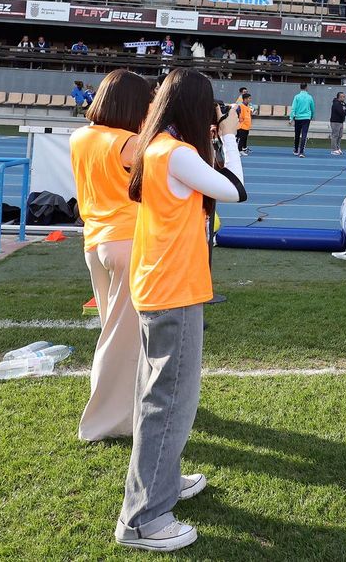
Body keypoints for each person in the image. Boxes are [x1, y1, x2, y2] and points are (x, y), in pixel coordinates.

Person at [115, 69, 248, 552]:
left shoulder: (159, 147)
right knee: (169, 402)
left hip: (161, 285)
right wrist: (230, 139)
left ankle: (162, 483)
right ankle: (142, 518)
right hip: (174, 290)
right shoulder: (176, 153)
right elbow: (233, 189)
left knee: (160, 396)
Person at [69, 70, 152, 442]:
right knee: (123, 339)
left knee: (112, 332)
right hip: (127, 241)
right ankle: (108, 421)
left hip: (94, 241)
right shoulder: (129, 143)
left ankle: (122, 405)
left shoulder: (80, 137)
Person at [288, 83, 315, 157]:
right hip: (306, 118)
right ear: (306, 87)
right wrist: (312, 116)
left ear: (300, 88)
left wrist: (291, 118)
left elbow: (293, 108)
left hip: (298, 118)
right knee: (304, 134)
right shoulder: (309, 97)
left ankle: (296, 149)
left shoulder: (297, 97)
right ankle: (301, 152)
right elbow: (312, 108)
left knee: (297, 134)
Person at [328, 91, 346, 156]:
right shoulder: (336, 104)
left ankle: (338, 148)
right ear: (339, 97)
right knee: (335, 136)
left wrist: (345, 110)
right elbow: (341, 112)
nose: (344, 98)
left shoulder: (343, 103)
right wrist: (345, 111)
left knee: (340, 136)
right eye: (342, 97)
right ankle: (333, 149)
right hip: (335, 122)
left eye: (344, 96)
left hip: (341, 122)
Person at [234, 88, 253, 155]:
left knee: (244, 138)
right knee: (241, 139)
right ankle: (238, 150)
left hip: (247, 126)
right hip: (242, 125)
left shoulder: (248, 106)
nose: (250, 100)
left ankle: (241, 149)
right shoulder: (240, 106)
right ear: (245, 99)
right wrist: (239, 119)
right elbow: (236, 113)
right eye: (249, 98)